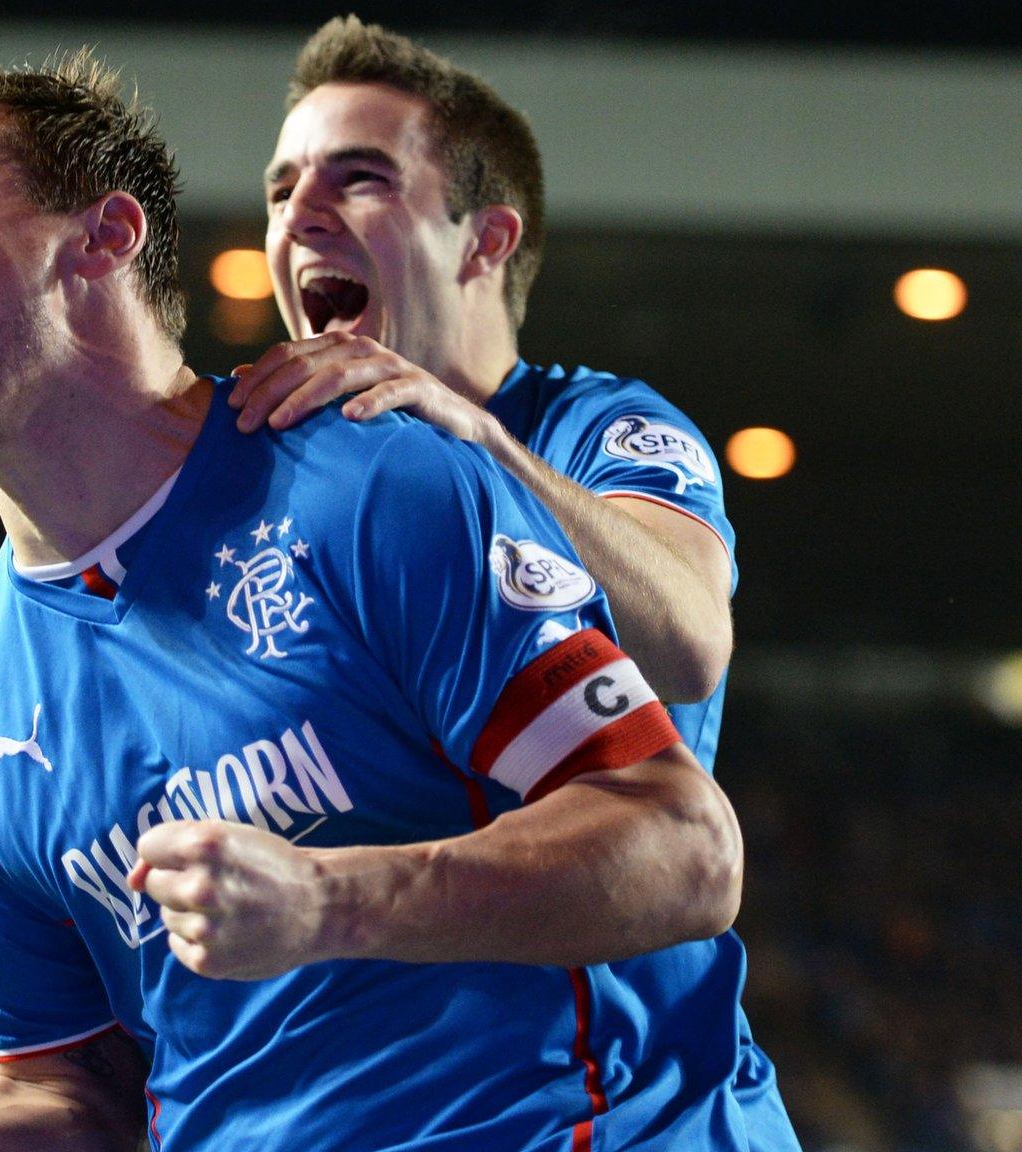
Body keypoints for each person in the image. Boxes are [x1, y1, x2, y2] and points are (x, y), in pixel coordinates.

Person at [0, 49, 786, 1151]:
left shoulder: (387, 482)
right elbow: (77, 1097)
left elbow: (686, 847)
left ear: (105, 237)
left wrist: (323, 902)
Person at [227, 17, 791, 1144]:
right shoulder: (274, 492)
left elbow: (688, 637)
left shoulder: (595, 427)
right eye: (283, 186)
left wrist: (478, 446)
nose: (300, 215)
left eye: (360, 178)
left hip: (622, 1114)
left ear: (483, 241)